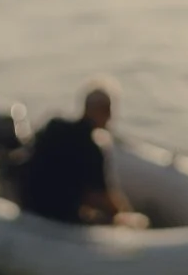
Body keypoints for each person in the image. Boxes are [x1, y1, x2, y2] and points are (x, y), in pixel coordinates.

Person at [12, 84, 148, 228]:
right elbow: (102, 198)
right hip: (55, 216)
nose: (110, 116)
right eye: (108, 110)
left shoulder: (55, 126)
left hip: (27, 202)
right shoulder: (91, 149)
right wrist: (127, 214)